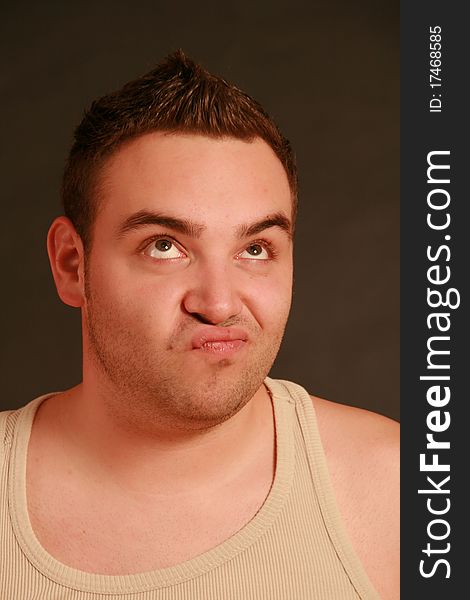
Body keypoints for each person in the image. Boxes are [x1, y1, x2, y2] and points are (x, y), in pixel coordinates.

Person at [0, 50, 399, 599]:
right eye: (165, 247)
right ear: (72, 263)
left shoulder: (405, 491)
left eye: (256, 248)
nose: (218, 303)